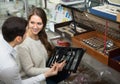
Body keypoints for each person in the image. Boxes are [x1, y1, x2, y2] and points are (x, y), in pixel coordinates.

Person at [16, 7, 70, 84]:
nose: (35, 27)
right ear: (28, 22)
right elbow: (29, 71)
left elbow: (45, 57)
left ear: (44, 24)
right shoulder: (23, 44)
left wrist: (57, 63)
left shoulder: (41, 35)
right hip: (33, 79)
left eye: (39, 23)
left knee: (66, 72)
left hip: (45, 73)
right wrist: (53, 69)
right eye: (32, 22)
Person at [0, 16, 60, 84]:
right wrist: (45, 74)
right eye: (26, 32)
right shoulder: (10, 66)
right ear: (18, 39)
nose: (28, 33)